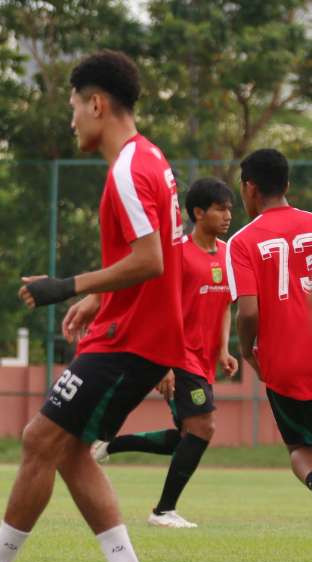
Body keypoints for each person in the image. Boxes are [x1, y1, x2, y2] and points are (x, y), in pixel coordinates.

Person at [0, 51, 182, 562]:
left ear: (97, 104)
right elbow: (159, 258)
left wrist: (68, 286)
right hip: (134, 330)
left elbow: (152, 260)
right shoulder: (152, 159)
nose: (72, 120)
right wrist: (97, 299)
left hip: (131, 340)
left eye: (74, 107)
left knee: (39, 438)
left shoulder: (127, 171)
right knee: (66, 449)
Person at [93, 177, 238, 528]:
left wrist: (223, 349)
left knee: (188, 437)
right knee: (203, 427)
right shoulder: (178, 256)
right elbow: (159, 310)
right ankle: (163, 511)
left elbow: (222, 307)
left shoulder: (226, 254)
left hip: (203, 360)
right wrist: (163, 365)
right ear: (198, 213)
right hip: (177, 355)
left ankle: (106, 447)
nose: (227, 215)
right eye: (220, 208)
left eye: (230, 209)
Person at [226, 148, 312, 496]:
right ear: (287, 184)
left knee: (299, 448)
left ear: (249, 188)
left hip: (286, 365)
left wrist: (248, 351)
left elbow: (247, 312)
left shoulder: (243, 242)